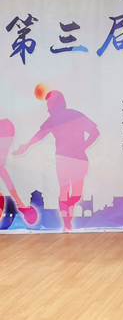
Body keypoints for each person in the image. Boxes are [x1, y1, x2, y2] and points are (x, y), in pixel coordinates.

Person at [13, 92, 99, 231]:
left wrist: (82, 146)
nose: (48, 108)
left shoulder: (75, 115)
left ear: (57, 104)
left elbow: (95, 132)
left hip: (79, 159)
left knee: (76, 195)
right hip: (63, 160)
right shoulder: (52, 120)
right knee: (64, 191)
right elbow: (40, 135)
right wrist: (26, 146)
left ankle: (69, 209)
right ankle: (67, 223)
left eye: (49, 104)